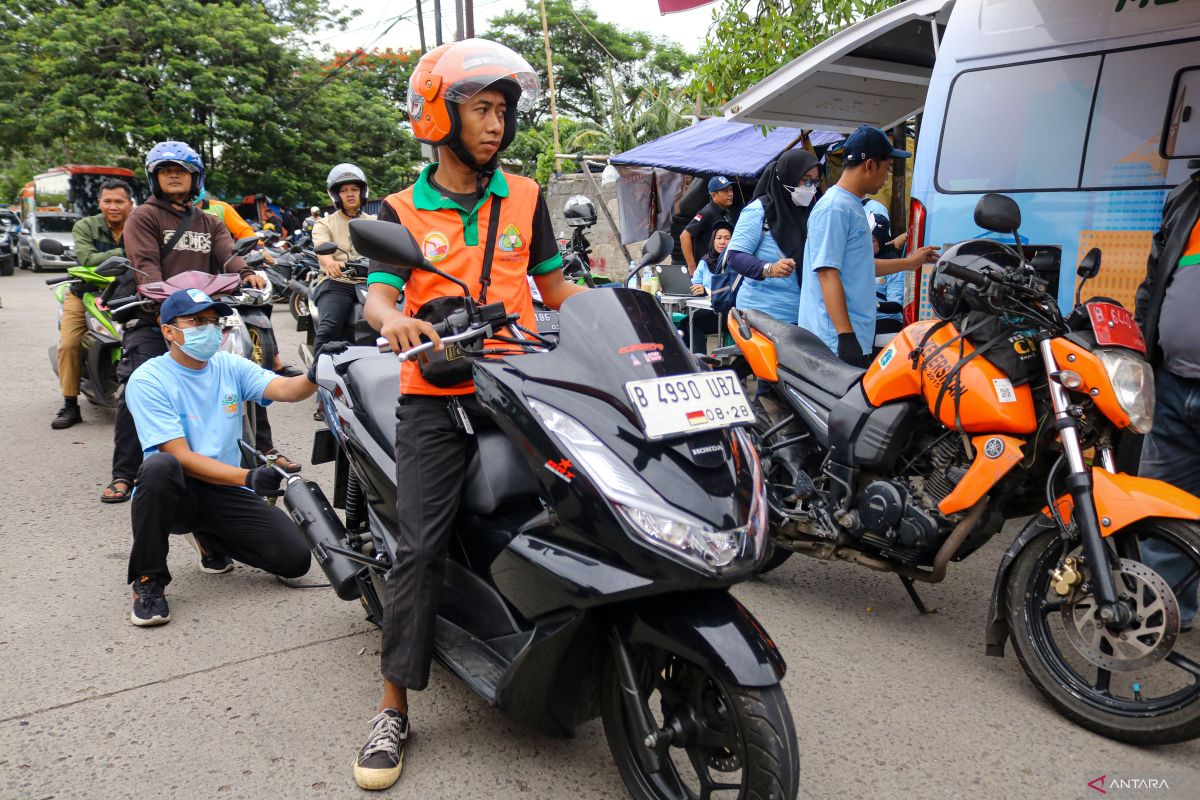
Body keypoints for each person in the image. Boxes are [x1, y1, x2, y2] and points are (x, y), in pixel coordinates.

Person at [355, 38, 587, 791]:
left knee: (590, 502)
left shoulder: (524, 196)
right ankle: (393, 705)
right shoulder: (398, 209)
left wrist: (645, 325)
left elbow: (558, 293)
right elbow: (379, 294)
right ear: (439, 115)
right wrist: (392, 320)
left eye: (502, 110)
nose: (495, 123)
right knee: (419, 547)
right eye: (481, 108)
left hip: (521, 388)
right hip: (438, 395)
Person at [124, 288, 344, 627]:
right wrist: (249, 477)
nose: (209, 328)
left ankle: (209, 536)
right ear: (168, 330)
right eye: (196, 321)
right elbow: (179, 454)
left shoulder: (228, 366)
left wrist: (318, 372)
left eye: (213, 321)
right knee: (158, 466)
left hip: (223, 486)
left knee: (294, 560)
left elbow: (285, 389)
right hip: (176, 488)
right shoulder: (149, 379)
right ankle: (147, 581)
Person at [104, 141, 272, 504]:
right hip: (156, 319)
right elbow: (145, 263)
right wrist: (154, 288)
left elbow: (227, 257)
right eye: (166, 171)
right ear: (155, 179)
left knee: (244, 372)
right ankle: (124, 471)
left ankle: (265, 452)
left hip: (204, 318)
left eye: (180, 170)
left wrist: (247, 273)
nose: (174, 176)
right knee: (137, 383)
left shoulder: (210, 221)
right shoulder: (144, 217)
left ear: (196, 177)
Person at [798, 126, 938, 367]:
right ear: (870, 165)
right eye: (887, 168)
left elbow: (860, 266)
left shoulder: (854, 205)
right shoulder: (834, 208)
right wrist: (845, 335)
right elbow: (827, 273)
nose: (887, 177)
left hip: (854, 333)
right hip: (834, 339)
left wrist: (910, 262)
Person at [1134, 164, 1200, 630]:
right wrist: (1142, 351)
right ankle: (1162, 620)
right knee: (1160, 510)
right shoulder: (1189, 195)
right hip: (1173, 382)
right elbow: (1154, 279)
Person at [54, 179, 134, 429]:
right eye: (107, 201)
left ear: (130, 204)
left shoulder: (140, 224)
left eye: (119, 201)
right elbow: (87, 258)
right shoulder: (85, 226)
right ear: (99, 202)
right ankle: (70, 404)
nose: (113, 206)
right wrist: (125, 254)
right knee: (69, 345)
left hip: (129, 292)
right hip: (85, 293)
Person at [724, 150, 821, 326]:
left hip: (802, 316)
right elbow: (734, 256)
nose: (811, 186)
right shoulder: (758, 211)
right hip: (760, 317)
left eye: (815, 181)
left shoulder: (811, 212)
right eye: (805, 179)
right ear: (787, 177)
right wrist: (769, 268)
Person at [311, 163, 375, 349]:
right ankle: (317, 373)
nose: (350, 193)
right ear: (335, 195)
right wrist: (330, 263)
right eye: (344, 190)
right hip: (339, 282)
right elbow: (322, 247)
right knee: (329, 329)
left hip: (372, 282)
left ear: (362, 192)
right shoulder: (325, 223)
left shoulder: (375, 222)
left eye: (355, 189)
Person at [683, 222, 731, 353]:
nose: (722, 242)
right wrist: (695, 289)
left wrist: (706, 291)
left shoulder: (735, 262)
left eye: (727, 238)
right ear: (713, 240)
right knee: (683, 323)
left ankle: (702, 364)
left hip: (728, 312)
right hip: (708, 309)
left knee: (693, 323)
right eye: (719, 237)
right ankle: (687, 360)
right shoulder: (705, 261)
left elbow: (730, 290)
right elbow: (694, 283)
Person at [680, 175, 735, 275]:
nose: (730, 194)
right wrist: (692, 266)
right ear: (714, 195)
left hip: (720, 267)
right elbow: (684, 236)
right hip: (706, 269)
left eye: (731, 190)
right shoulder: (707, 212)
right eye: (725, 191)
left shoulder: (726, 212)